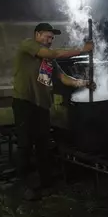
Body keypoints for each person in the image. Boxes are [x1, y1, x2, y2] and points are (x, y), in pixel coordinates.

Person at [12, 22, 94, 200]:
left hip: (42, 105)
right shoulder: (28, 45)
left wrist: (84, 83)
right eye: (47, 36)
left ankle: (45, 183)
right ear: (37, 35)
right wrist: (82, 50)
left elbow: (64, 78)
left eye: (51, 38)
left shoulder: (49, 61)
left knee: (43, 145)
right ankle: (22, 184)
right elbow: (51, 52)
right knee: (25, 144)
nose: (49, 40)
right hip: (24, 102)